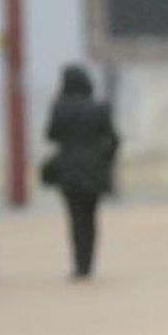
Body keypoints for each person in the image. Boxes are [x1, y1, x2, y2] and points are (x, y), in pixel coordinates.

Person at [44, 64, 119, 279]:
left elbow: (51, 135)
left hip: (68, 169)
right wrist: (105, 158)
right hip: (94, 170)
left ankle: (79, 265)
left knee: (75, 218)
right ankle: (88, 263)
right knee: (91, 217)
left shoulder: (59, 108)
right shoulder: (100, 108)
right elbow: (114, 139)